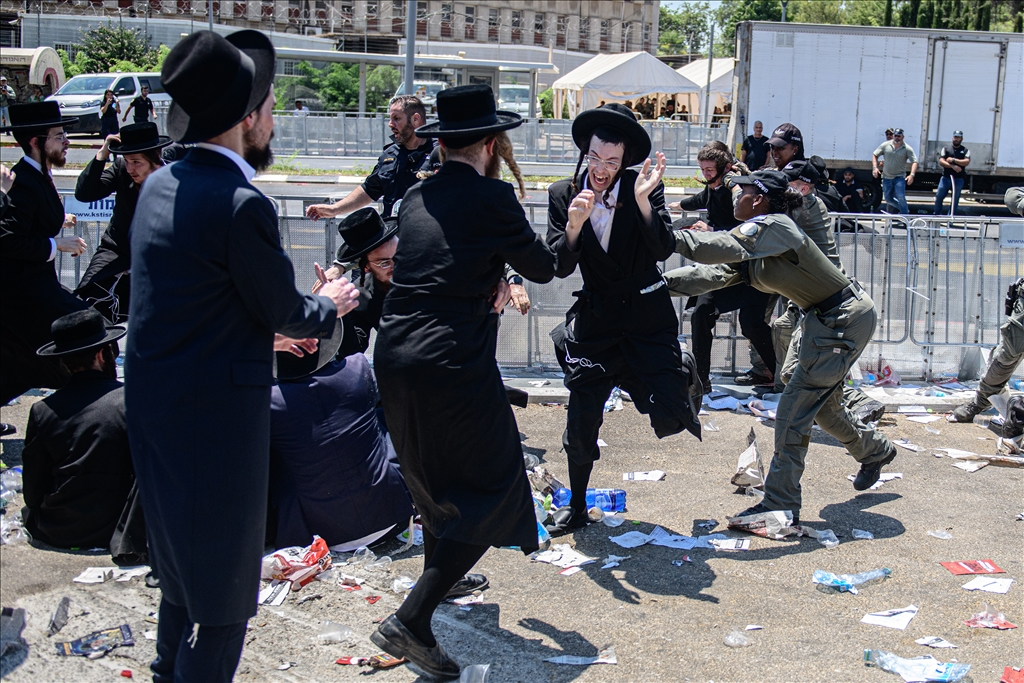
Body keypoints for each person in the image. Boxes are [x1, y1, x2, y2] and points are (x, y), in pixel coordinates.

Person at [125, 30, 360, 682]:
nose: (275, 114)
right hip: (215, 427)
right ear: (248, 118)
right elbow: (286, 309)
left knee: (178, 578)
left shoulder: (160, 185)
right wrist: (331, 301)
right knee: (226, 605)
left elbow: (189, 300)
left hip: (157, 415)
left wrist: (259, 329)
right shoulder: (239, 204)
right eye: (271, 103)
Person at [369, 84, 560, 678]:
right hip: (450, 360)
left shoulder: (418, 195)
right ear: (490, 142)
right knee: (494, 486)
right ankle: (413, 617)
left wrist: (486, 282)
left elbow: (448, 260)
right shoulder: (494, 197)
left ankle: (437, 582)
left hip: (395, 352)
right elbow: (545, 266)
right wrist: (572, 222)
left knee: (431, 482)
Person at [665, 169, 897, 525]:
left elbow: (716, 246)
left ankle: (780, 503)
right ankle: (875, 450)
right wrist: (657, 285)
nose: (734, 197)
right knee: (813, 399)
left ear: (757, 199)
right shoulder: (758, 244)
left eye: (739, 191)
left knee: (792, 413)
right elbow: (711, 275)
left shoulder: (777, 225)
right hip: (820, 319)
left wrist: (665, 237)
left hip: (842, 319)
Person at [545, 102, 702, 535]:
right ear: (585, 153)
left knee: (672, 414)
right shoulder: (563, 194)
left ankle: (681, 372)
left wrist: (643, 203)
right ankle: (577, 506)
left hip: (645, 320)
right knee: (581, 420)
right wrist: (574, 226)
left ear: (624, 161)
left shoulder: (642, 186)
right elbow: (558, 266)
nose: (602, 170)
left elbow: (662, 249)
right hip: (597, 323)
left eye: (612, 162)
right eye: (596, 159)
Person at [269, 321, 414, 550]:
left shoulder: (271, 402)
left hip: (320, 536)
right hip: (392, 517)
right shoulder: (356, 369)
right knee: (385, 416)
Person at [21, 309, 144, 558]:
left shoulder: (42, 409)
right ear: (102, 354)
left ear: (64, 361)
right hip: (117, 529)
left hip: (58, 528)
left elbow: (33, 491)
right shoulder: (130, 400)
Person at [1, 102, 89, 407]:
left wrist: (57, 223)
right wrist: (57, 245)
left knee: (20, 367)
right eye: (59, 136)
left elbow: (30, 222)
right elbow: (8, 240)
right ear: (37, 142)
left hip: (35, 288)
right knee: (86, 332)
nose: (66, 142)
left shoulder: (39, 174)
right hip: (23, 293)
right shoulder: (23, 181)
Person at [670, 143, 775, 390]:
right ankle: (701, 380)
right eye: (702, 169)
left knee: (752, 323)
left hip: (751, 271)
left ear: (726, 168)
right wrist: (679, 206)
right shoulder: (714, 188)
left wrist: (712, 230)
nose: (706, 175)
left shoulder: (739, 194)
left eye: (709, 169)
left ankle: (782, 378)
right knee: (701, 313)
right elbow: (701, 198)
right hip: (722, 269)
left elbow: (749, 230)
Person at [74, 122, 173, 323]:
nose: (130, 168)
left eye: (136, 162)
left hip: (158, 258)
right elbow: (85, 193)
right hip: (117, 252)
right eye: (127, 161)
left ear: (156, 158)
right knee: (87, 306)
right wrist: (102, 154)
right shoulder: (120, 169)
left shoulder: (175, 177)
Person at [306, 95, 436, 220]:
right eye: (390, 119)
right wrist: (334, 210)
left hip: (426, 238)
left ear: (415, 119)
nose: (390, 124)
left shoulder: (439, 153)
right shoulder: (390, 155)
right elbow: (369, 190)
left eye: (396, 118)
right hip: (394, 237)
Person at [311, 207, 396, 359]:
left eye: (399, 256)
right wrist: (336, 310)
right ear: (366, 267)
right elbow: (353, 352)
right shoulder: (361, 295)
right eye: (384, 263)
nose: (396, 266)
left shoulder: (428, 269)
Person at [872, 127, 917, 214]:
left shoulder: (907, 148)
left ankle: (905, 216)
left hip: (899, 177)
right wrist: (875, 167)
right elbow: (875, 154)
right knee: (888, 199)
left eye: (899, 136)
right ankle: (904, 210)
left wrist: (912, 175)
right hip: (886, 177)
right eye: (895, 136)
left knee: (901, 196)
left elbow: (914, 161)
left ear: (903, 137)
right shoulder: (885, 145)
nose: (897, 138)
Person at [934, 130, 970, 215]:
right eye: (955, 137)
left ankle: (950, 218)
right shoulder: (946, 149)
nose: (956, 139)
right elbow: (942, 162)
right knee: (939, 196)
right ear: (952, 138)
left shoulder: (965, 150)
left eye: (958, 137)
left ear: (962, 139)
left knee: (955, 199)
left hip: (958, 178)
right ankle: (937, 215)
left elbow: (966, 162)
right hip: (946, 177)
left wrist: (953, 160)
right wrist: (953, 166)